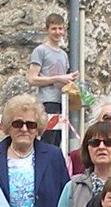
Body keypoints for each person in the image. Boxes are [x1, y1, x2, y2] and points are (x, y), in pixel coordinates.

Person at [28, 11, 79, 143]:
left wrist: (70, 80)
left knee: (58, 142)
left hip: (62, 102)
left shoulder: (64, 55)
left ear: (64, 31)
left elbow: (63, 79)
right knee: (47, 141)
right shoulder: (40, 51)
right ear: (47, 30)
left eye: (60, 28)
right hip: (47, 102)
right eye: (54, 28)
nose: (57, 32)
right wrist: (59, 78)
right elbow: (32, 79)